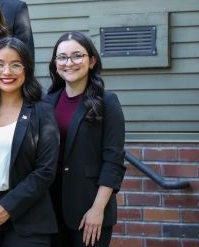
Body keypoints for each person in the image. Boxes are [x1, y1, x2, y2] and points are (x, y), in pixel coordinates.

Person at [0, 37, 59, 246]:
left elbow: (45, 170)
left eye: (16, 65)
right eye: (0, 65)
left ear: (27, 69)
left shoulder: (42, 111)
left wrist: (8, 206)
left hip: (28, 219)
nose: (7, 72)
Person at [45, 31, 126, 247]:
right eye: (62, 57)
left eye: (77, 55)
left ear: (91, 61)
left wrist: (97, 210)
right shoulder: (47, 101)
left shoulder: (108, 102)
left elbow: (114, 161)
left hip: (89, 207)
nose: (69, 63)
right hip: (50, 208)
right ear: (55, 64)